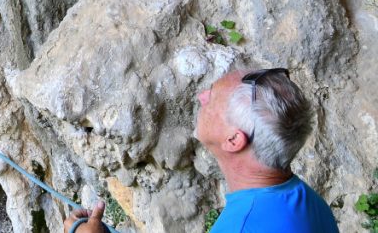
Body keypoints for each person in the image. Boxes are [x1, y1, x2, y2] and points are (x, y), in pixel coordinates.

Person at [64, 67, 339, 232]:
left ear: (234, 140)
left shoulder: (242, 226)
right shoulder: (307, 203)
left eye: (213, 97)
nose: (202, 96)